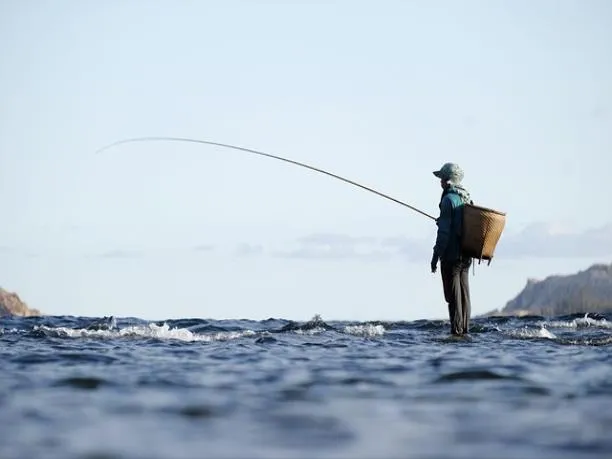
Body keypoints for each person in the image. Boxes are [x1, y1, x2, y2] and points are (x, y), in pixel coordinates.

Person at [430, 163, 473, 336]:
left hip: (451, 256)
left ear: (447, 181)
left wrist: (435, 255)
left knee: (453, 298)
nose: (439, 181)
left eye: (441, 178)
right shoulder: (466, 198)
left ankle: (456, 333)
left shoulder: (448, 200)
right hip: (466, 255)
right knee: (464, 295)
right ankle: (465, 331)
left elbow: (444, 233)